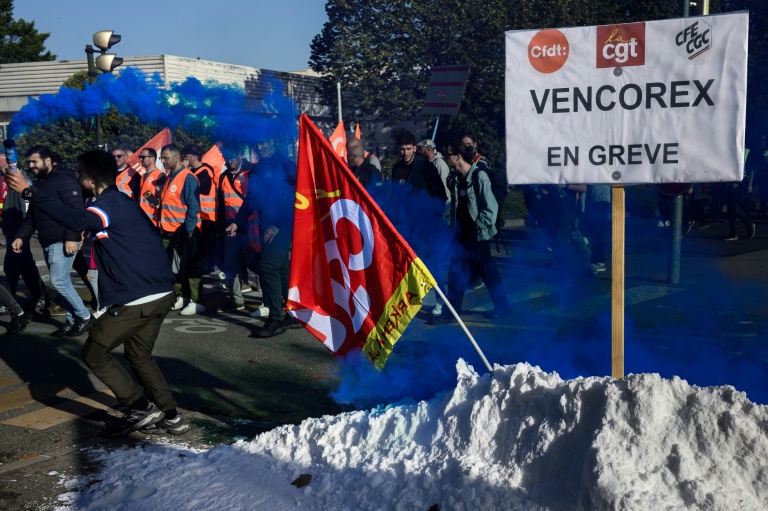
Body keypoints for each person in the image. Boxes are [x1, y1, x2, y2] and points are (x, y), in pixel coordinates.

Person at [3, 150, 190, 437]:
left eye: (80, 173)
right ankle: (173, 417)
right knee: (139, 356)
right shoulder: (118, 201)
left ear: (92, 178)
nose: (77, 178)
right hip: (158, 293)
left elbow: (78, 220)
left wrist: (30, 192)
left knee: (94, 353)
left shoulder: (109, 203)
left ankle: (140, 407)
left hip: (138, 298)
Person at [12, 145, 94, 337]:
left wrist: (72, 237)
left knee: (58, 281)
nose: (31, 165)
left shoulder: (64, 180)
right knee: (61, 281)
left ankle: (84, 316)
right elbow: (32, 216)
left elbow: (76, 212)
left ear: (47, 161)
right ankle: (72, 320)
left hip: (62, 239)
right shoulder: (40, 184)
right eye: (29, 162)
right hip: (48, 240)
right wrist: (20, 236)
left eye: (35, 161)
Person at [434, 139, 510, 323]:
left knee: (488, 272)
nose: (445, 158)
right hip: (460, 235)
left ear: (458, 156)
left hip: (477, 236)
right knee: (455, 272)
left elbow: (490, 208)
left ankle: (503, 307)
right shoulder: (456, 179)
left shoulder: (478, 176)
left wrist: (479, 225)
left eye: (448, 155)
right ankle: (451, 313)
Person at [227, 136, 295, 337]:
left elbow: (294, 197)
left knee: (268, 266)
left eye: (264, 142)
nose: (261, 147)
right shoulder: (257, 169)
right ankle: (290, 313)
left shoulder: (285, 164)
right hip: (267, 225)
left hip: (283, 225)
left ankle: (276, 318)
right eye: (257, 144)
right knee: (281, 269)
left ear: (273, 142)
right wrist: (236, 222)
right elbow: (252, 199)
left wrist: (278, 225)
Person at [158, 144, 205, 315]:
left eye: (166, 158)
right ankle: (181, 296)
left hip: (184, 231)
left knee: (191, 266)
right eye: (161, 158)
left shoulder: (188, 177)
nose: (163, 161)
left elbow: (193, 206)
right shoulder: (170, 176)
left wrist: (189, 230)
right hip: (169, 231)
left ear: (176, 157)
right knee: (174, 267)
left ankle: (196, 300)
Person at [218, 152, 263, 314]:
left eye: (232, 157)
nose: (230, 161)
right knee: (231, 265)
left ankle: (269, 301)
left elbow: (256, 199)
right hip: (231, 228)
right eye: (227, 158)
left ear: (239, 157)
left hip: (251, 226)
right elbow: (221, 203)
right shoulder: (223, 177)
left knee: (257, 264)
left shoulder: (250, 173)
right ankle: (236, 301)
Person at [0, 164, 48, 313]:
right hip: (10, 230)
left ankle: (8, 302)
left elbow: (24, 205)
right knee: (26, 266)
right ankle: (41, 296)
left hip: (18, 231)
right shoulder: (3, 178)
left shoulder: (17, 177)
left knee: (11, 266)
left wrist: (22, 233)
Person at [181, 144, 217, 271]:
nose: (184, 159)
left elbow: (195, 189)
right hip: (197, 216)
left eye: (186, 157)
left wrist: (184, 170)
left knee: (208, 248)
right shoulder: (192, 172)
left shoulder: (205, 171)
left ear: (194, 157)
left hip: (207, 217)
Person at [391, 131, 447, 201]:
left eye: (408, 149)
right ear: (398, 149)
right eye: (402, 149)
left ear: (414, 148)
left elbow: (440, 195)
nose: (405, 153)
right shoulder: (396, 168)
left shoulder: (426, 167)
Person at [137, 148, 165, 228]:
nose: (141, 159)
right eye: (140, 157)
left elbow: (161, 200)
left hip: (153, 221)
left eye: (143, 157)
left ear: (152, 159)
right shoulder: (142, 176)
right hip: (142, 219)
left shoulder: (160, 176)